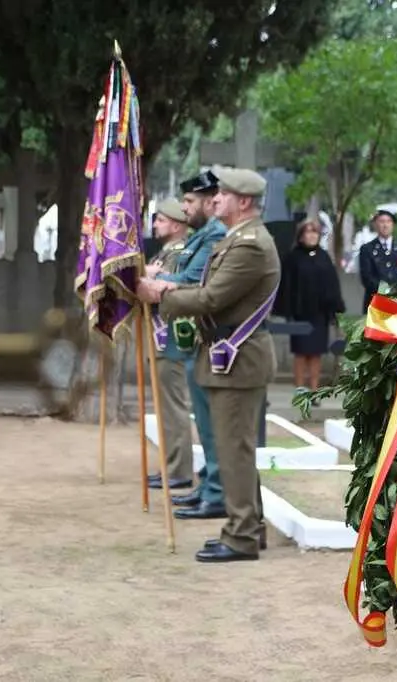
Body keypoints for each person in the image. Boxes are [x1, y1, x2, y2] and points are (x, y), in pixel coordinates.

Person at [140, 166, 280, 563]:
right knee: (236, 449)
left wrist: (159, 295)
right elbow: (207, 291)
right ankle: (250, 527)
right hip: (230, 359)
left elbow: (212, 298)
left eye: (223, 195)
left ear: (244, 202)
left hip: (238, 360)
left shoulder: (250, 244)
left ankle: (240, 536)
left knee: (234, 450)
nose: (214, 199)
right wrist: (167, 288)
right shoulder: (239, 238)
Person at [144, 171, 229, 521]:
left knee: (210, 422)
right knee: (204, 419)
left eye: (190, 202)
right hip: (196, 338)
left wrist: (152, 280)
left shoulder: (214, 237)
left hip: (205, 337)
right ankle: (208, 486)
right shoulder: (202, 236)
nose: (185, 208)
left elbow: (191, 280)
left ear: (211, 201)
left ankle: (214, 490)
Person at [147, 198, 195, 489]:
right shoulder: (164, 253)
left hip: (172, 336)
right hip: (160, 336)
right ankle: (171, 466)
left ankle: (179, 470)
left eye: (161, 220)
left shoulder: (178, 254)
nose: (155, 225)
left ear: (176, 225)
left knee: (174, 406)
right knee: (165, 406)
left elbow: (177, 289)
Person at [274, 216, 345, 392]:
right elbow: (286, 286)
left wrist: (336, 309)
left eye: (315, 232)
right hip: (300, 314)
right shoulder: (293, 257)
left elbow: (332, 285)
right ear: (301, 236)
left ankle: (313, 391)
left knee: (316, 354)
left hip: (319, 315)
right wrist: (286, 310)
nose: (312, 236)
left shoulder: (324, 257)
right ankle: (300, 390)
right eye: (308, 232)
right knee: (300, 353)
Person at [357, 209, 397, 313]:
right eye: (381, 221)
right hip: (376, 304)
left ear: (393, 225)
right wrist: (387, 292)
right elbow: (367, 278)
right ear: (375, 224)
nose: (385, 225)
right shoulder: (367, 249)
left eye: (388, 221)